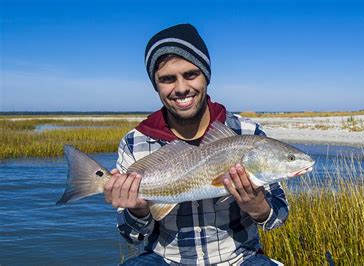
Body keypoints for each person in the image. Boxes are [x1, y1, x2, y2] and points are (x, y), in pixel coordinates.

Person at [104, 23, 288, 265]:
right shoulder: (134, 141)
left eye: (191, 74)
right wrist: (137, 210)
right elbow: (132, 236)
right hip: (164, 259)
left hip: (240, 258)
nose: (181, 88)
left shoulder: (247, 133)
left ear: (206, 75)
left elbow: (278, 218)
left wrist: (258, 206)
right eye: (168, 79)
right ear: (156, 85)